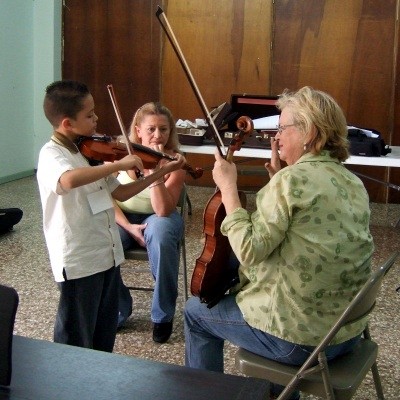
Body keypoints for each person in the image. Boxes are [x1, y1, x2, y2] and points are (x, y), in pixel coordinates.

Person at [184, 86, 374, 399]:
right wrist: (278, 182)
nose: (276, 136)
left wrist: (229, 188)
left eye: (282, 127)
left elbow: (248, 250)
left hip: (300, 342)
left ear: (309, 131)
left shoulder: (291, 181)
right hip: (345, 333)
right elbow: (309, 230)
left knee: (195, 313)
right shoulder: (352, 181)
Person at [37, 80, 186, 352]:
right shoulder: (53, 154)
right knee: (76, 335)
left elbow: (122, 192)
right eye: (90, 115)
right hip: (80, 259)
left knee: (103, 331)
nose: (96, 119)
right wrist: (118, 165)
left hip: (106, 254)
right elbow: (68, 181)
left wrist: (161, 173)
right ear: (68, 123)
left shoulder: (84, 152)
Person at [114, 102, 186, 343]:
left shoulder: (175, 161)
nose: (158, 135)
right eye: (151, 129)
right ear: (138, 129)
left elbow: (164, 209)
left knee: (163, 235)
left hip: (158, 216)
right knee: (102, 238)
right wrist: (127, 226)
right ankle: (119, 307)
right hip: (123, 216)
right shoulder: (118, 155)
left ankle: (162, 316)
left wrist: (153, 171)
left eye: (164, 129)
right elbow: (105, 196)